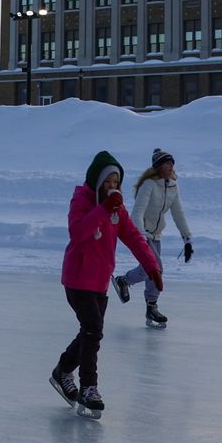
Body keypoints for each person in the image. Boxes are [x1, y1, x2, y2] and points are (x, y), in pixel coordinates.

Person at [50, 150, 161, 414]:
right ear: (97, 182)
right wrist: (102, 209)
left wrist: (151, 266)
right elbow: (77, 233)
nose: (113, 187)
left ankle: (63, 370)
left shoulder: (117, 209)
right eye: (108, 182)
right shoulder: (83, 200)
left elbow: (133, 237)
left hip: (99, 281)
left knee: (91, 331)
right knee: (92, 330)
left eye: (116, 183)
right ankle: (89, 388)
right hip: (77, 279)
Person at [114, 147, 194, 328]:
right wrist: (141, 237)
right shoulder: (148, 184)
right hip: (142, 234)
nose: (171, 167)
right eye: (167, 164)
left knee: (145, 270)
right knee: (155, 269)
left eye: (172, 164)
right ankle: (152, 306)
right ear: (158, 167)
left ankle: (123, 281)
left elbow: (178, 213)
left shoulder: (173, 185)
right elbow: (137, 213)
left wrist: (187, 240)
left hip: (156, 235)